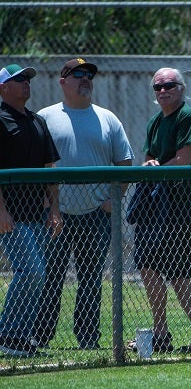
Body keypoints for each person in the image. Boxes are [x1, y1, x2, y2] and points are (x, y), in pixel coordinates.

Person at [33, 58, 134, 350]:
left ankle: (88, 338)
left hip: (96, 215)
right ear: (62, 81)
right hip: (55, 215)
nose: (85, 79)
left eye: (88, 75)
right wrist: (46, 202)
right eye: (77, 74)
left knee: (91, 281)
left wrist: (114, 200)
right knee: (50, 277)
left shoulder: (107, 118)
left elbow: (125, 162)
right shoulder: (45, 117)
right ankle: (40, 337)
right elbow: (36, 163)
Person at [128, 67, 191, 354]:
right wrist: (150, 165)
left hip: (184, 208)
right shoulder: (155, 122)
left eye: (169, 85)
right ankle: (161, 333)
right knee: (147, 266)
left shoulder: (188, 117)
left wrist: (157, 169)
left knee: (177, 274)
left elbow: (184, 160)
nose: (163, 90)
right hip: (157, 208)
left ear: (182, 88)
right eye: (158, 87)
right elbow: (150, 155)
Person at [0, 63, 63, 357]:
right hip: (10, 213)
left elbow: (50, 167)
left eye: (28, 79)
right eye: (19, 79)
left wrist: (55, 209)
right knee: (32, 270)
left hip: (37, 213)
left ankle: (22, 337)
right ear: (3, 88)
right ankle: (8, 335)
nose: (26, 83)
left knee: (39, 274)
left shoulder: (38, 121)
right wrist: (1, 211)